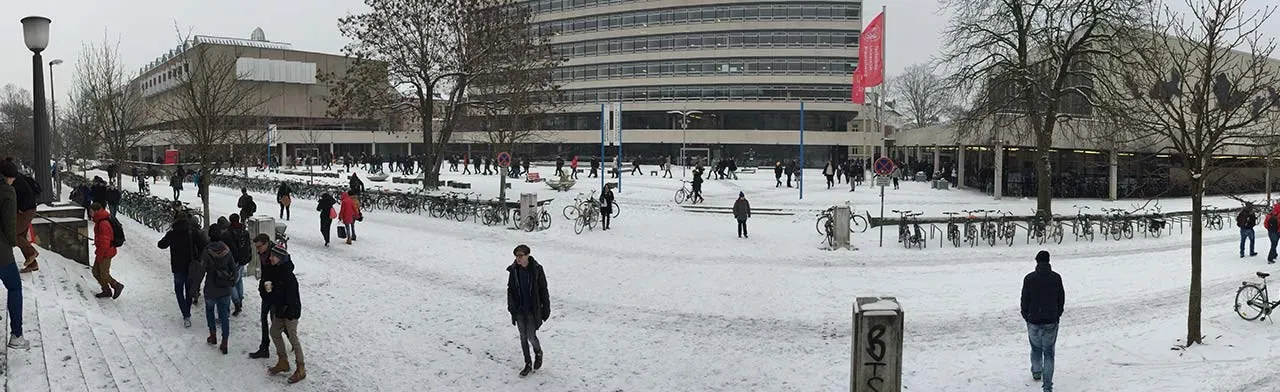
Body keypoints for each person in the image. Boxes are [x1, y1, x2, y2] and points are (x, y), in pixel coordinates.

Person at [1021, 250, 1064, 392]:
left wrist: (1026, 315)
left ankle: (1036, 371)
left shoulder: (1029, 278)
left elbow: (1025, 299)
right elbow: (1061, 298)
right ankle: (1047, 386)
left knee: (1035, 348)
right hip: (1051, 320)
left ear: (1037, 261)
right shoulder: (1056, 278)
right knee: (1049, 352)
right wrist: (1057, 314)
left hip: (1033, 319)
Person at [191, 222, 237, 355]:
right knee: (224, 316)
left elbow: (201, 271)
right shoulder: (227, 250)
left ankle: (213, 335)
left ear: (210, 236)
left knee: (210, 311)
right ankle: (225, 342)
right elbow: (233, 268)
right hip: (225, 288)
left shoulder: (206, 251)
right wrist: (232, 281)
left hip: (211, 288)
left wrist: (195, 288)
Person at [506, 244, 550, 377]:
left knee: (531, 335)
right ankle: (527, 363)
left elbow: (543, 290)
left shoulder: (536, 270)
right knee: (522, 337)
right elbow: (510, 290)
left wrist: (545, 308)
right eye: (516, 256)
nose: (518, 259)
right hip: (519, 310)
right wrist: (511, 307)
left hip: (532, 310)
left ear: (527, 256)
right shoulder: (514, 270)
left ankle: (538, 352)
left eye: (521, 256)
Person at [265, 244, 306, 383]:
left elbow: (291, 297)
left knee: (293, 339)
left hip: (290, 312)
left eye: (273, 256)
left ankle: (301, 368)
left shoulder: (288, 275)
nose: (270, 258)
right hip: (281, 310)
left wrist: (287, 311)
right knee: (274, 332)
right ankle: (283, 361)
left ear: (280, 258)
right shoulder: (277, 270)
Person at [158, 216, 206, 328]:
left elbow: (161, 245)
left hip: (177, 267)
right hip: (190, 266)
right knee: (189, 291)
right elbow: (203, 244)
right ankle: (187, 313)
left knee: (179, 291)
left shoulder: (172, 233)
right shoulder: (192, 232)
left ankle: (186, 314)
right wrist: (198, 257)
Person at [0, 160, 29, 349]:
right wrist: (12, 242)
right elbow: (10, 223)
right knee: (14, 287)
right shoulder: (7, 191)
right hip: (1, 251)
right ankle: (17, 335)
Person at [7, 158, 40, 273]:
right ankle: (33, 264)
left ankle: (31, 252)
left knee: (13, 234)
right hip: (27, 208)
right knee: (20, 235)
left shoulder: (13, 179)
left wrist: (20, 209)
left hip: (25, 210)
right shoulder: (16, 177)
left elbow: (22, 195)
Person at [89, 202, 124, 299]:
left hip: (106, 252)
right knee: (96, 272)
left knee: (103, 273)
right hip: (103, 251)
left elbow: (105, 242)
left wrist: (100, 255)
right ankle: (106, 290)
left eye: (91, 211)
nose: (89, 213)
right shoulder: (100, 220)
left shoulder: (103, 223)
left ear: (96, 211)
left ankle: (117, 285)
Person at [249, 234, 275, 359]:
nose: (258, 250)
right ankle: (264, 347)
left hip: (275, 293)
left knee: (276, 322)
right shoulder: (263, 253)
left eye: (259, 247)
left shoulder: (275, 253)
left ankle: (289, 341)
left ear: (266, 243)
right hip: (266, 291)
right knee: (264, 318)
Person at [224, 214, 252, 316]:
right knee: (239, 280)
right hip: (243, 259)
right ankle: (240, 299)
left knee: (232, 282)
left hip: (234, 261)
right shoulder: (244, 231)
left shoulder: (229, 233)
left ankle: (237, 303)